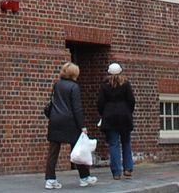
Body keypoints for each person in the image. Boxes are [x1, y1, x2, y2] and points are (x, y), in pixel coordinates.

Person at [43, 61, 95, 189]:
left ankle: (50, 179)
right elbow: (77, 108)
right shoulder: (74, 87)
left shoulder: (57, 85)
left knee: (53, 152)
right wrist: (82, 125)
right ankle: (84, 177)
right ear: (74, 73)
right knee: (78, 150)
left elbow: (53, 102)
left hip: (55, 120)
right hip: (70, 122)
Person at [97, 63, 134, 181]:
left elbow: (100, 103)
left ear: (109, 73)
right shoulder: (126, 84)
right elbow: (132, 101)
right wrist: (128, 111)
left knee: (114, 144)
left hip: (109, 116)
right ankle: (128, 168)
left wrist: (103, 113)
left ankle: (116, 172)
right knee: (126, 142)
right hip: (125, 116)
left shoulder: (104, 86)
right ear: (120, 72)